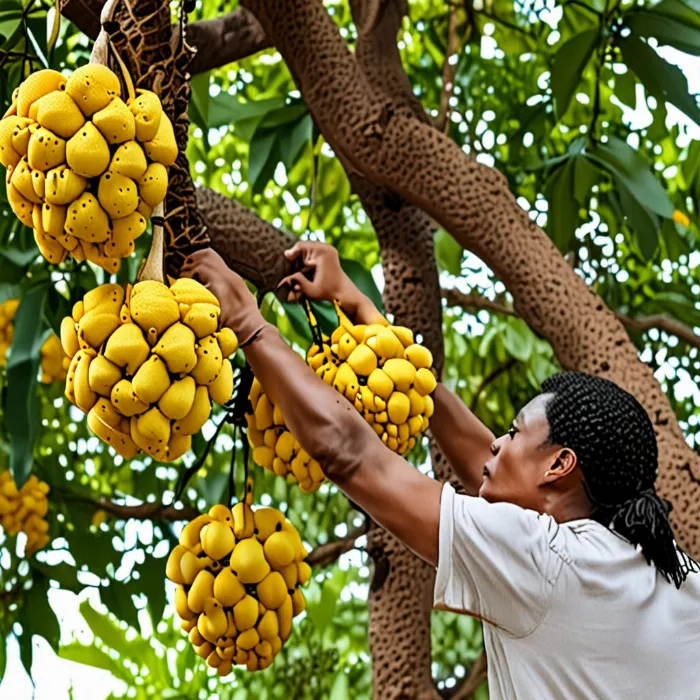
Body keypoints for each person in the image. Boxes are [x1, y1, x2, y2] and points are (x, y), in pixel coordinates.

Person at [182, 242, 700, 699]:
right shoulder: (671, 572)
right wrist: (361, 313)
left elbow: (348, 453)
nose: (496, 442)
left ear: (561, 465)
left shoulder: (547, 564)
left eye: (515, 433)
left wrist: (248, 322)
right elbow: (482, 461)